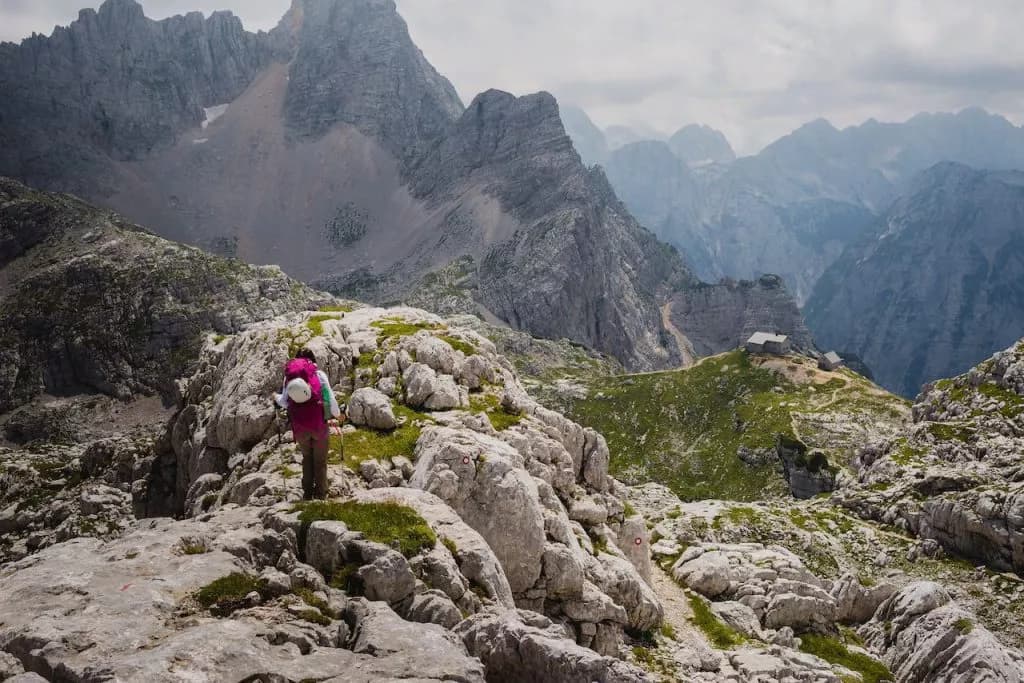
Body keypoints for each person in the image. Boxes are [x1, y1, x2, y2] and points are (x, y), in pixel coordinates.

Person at [274, 348, 342, 500]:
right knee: (320, 461)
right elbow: (330, 399)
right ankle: (321, 494)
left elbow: (284, 402)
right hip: (319, 426)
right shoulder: (319, 375)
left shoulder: (289, 378)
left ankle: (307, 493)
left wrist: (275, 397)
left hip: (300, 427)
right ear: (312, 360)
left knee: (307, 458)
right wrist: (338, 415)